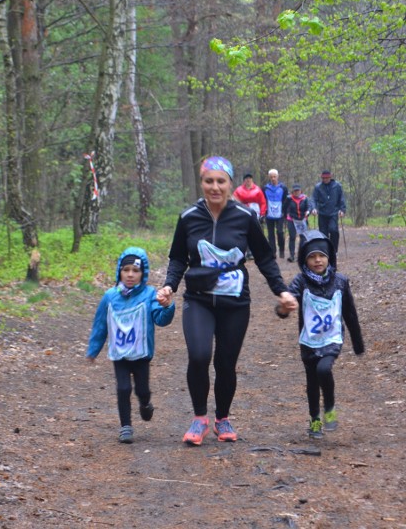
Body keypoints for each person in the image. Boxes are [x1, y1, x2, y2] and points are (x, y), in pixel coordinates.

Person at [156, 156, 298, 446]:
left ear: (230, 184)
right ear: (202, 183)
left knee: (225, 362)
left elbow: (265, 257)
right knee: (198, 355)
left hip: (235, 303)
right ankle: (199, 418)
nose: (215, 187)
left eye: (221, 181)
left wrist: (280, 289)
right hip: (199, 298)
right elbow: (178, 257)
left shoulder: (245, 217)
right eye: (209, 181)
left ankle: (222, 418)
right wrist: (169, 285)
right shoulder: (188, 218)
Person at [275, 230, 364, 439]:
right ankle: (314, 419)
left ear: (329, 257)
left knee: (324, 369)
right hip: (309, 341)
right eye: (312, 256)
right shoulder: (301, 282)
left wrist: (358, 343)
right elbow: (286, 302)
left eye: (322, 255)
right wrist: (283, 308)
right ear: (305, 260)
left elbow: (350, 313)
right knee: (312, 381)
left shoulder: (340, 281)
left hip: (332, 338)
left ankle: (330, 408)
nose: (317, 260)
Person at [87, 247, 176, 444]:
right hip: (120, 354)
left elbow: (161, 320)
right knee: (123, 388)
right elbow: (100, 324)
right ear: (119, 271)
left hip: (141, 353)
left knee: (142, 390)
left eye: (135, 271)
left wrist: (168, 306)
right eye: (126, 269)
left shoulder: (149, 295)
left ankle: (145, 404)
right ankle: (125, 426)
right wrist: (93, 350)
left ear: (143, 273)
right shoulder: (110, 297)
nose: (130, 274)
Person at [310, 170, 346, 256]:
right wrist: (314, 208)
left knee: (333, 230)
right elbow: (313, 199)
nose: (325, 179)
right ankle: (325, 251)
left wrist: (342, 209)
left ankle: (334, 250)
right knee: (323, 234)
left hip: (333, 212)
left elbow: (341, 199)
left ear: (330, 177)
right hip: (322, 213)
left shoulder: (337, 186)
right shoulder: (318, 187)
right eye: (323, 178)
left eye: (327, 178)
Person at [263, 169, 289, 259]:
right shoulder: (265, 188)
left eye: (274, 177)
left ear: (277, 177)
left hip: (280, 214)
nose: (273, 179)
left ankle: (281, 250)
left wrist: (285, 212)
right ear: (269, 177)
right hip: (269, 214)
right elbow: (263, 200)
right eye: (271, 177)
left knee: (280, 232)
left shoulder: (283, 188)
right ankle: (272, 252)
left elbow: (286, 200)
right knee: (270, 234)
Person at [284, 184, 310, 262]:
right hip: (291, 219)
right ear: (293, 191)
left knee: (303, 237)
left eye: (298, 190)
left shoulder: (305, 198)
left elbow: (309, 206)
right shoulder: (289, 198)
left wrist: (308, 211)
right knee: (292, 237)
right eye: (295, 191)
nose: (296, 192)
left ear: (300, 191)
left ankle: (302, 254)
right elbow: (284, 208)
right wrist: (286, 216)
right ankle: (292, 255)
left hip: (302, 220)